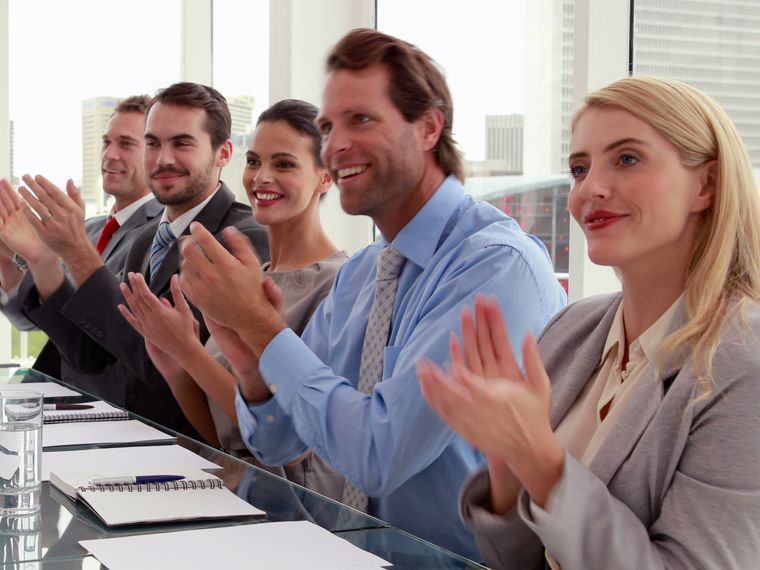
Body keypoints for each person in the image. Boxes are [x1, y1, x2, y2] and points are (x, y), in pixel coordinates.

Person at [175, 29, 565, 558]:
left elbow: (379, 456)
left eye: (361, 120)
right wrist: (251, 366)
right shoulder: (363, 274)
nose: (336, 145)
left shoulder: (494, 266)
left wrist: (265, 333)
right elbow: (279, 440)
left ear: (428, 128)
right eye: (329, 126)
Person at [416, 77, 760, 568]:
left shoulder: (744, 360)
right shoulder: (574, 327)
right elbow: (515, 560)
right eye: (580, 168)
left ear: (705, 185)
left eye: (626, 159)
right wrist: (506, 464)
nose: (589, 189)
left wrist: (536, 456)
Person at [118, 99, 350, 500]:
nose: (261, 178)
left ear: (326, 176)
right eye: (255, 162)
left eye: (284, 164)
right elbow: (225, 435)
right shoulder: (250, 279)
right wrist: (175, 364)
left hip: (297, 515)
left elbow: (291, 441)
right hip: (233, 497)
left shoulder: (339, 285)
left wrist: (190, 353)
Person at [7, 82, 269, 437]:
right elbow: (92, 353)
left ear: (223, 153)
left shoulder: (241, 239)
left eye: (182, 143)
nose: (162, 159)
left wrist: (78, 252)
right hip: (120, 442)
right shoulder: (147, 238)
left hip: (185, 458)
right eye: (153, 143)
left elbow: (159, 364)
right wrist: (44, 259)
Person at [0, 95, 162, 391]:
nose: (110, 154)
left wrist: (40, 256)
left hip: (104, 402)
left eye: (126, 144)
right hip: (53, 389)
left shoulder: (159, 237)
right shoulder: (89, 228)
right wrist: (5, 257)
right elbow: (32, 320)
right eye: (106, 142)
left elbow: (109, 331)